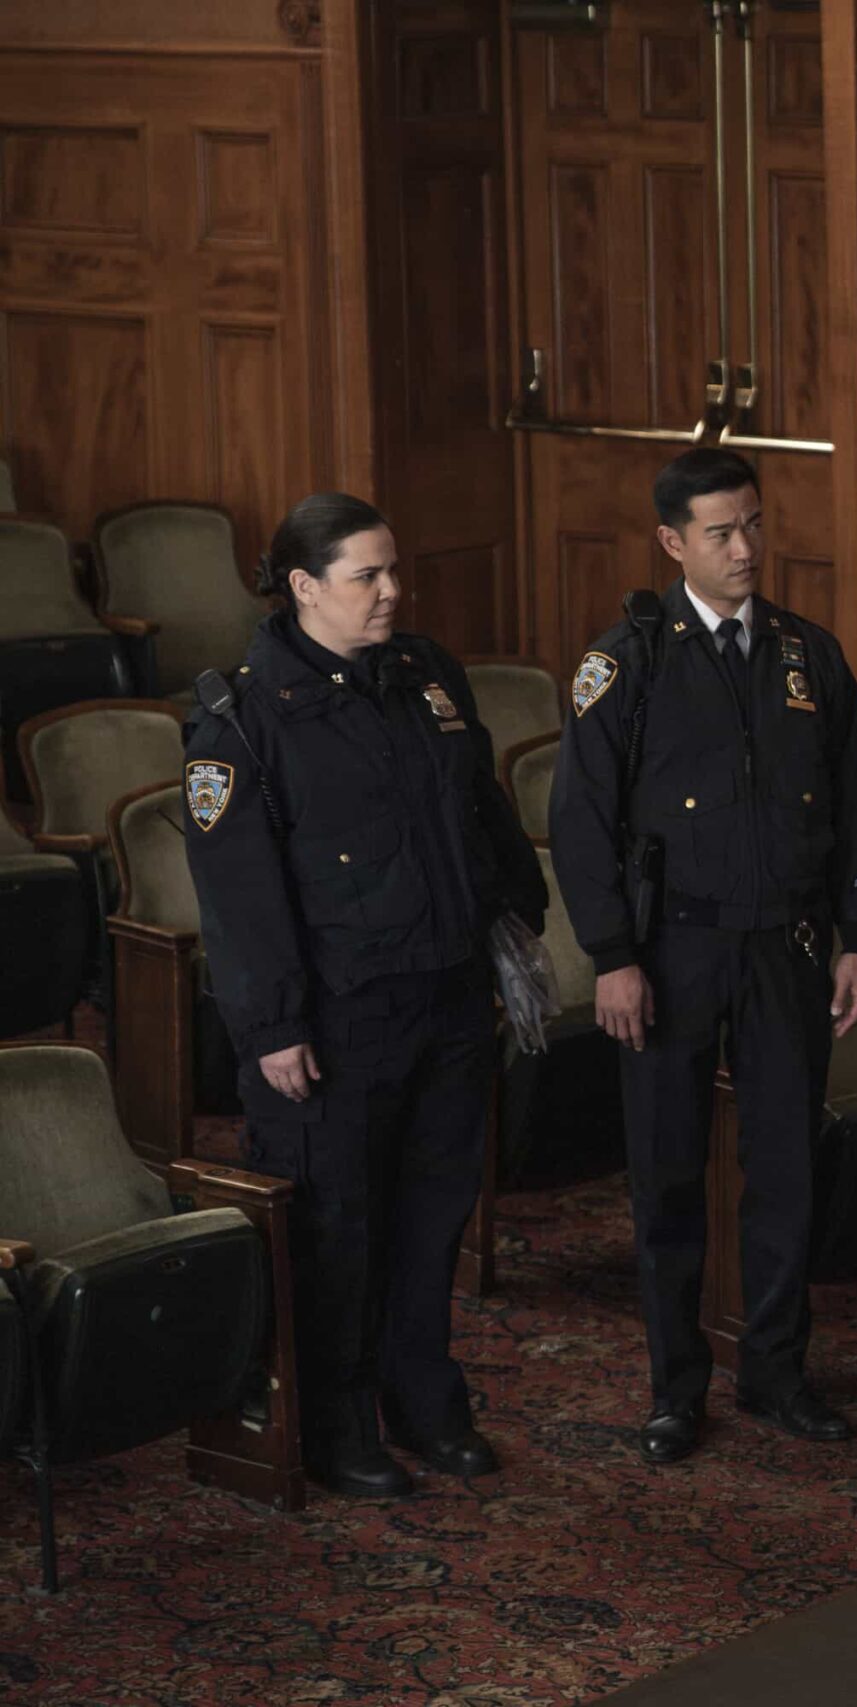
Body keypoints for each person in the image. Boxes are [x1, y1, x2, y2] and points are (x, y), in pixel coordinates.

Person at [183, 492, 546, 1499]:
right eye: (366, 577)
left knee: (435, 1216)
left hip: (444, 992)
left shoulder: (423, 674)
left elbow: (480, 808)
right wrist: (275, 1028)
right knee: (340, 1230)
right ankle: (338, 1426)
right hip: (336, 1018)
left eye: (394, 572)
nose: (392, 592)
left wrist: (516, 911)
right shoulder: (241, 720)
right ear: (303, 587)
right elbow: (240, 896)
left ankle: (426, 1403)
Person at [549, 447, 857, 1464]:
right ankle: (674, 1389)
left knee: (786, 1167)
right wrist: (611, 955)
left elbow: (856, 808)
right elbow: (579, 822)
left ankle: (777, 1372)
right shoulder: (628, 662)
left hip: (784, 946)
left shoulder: (806, 655)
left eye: (751, 525)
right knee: (669, 1177)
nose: (744, 548)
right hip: (670, 952)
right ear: (672, 543)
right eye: (719, 533)